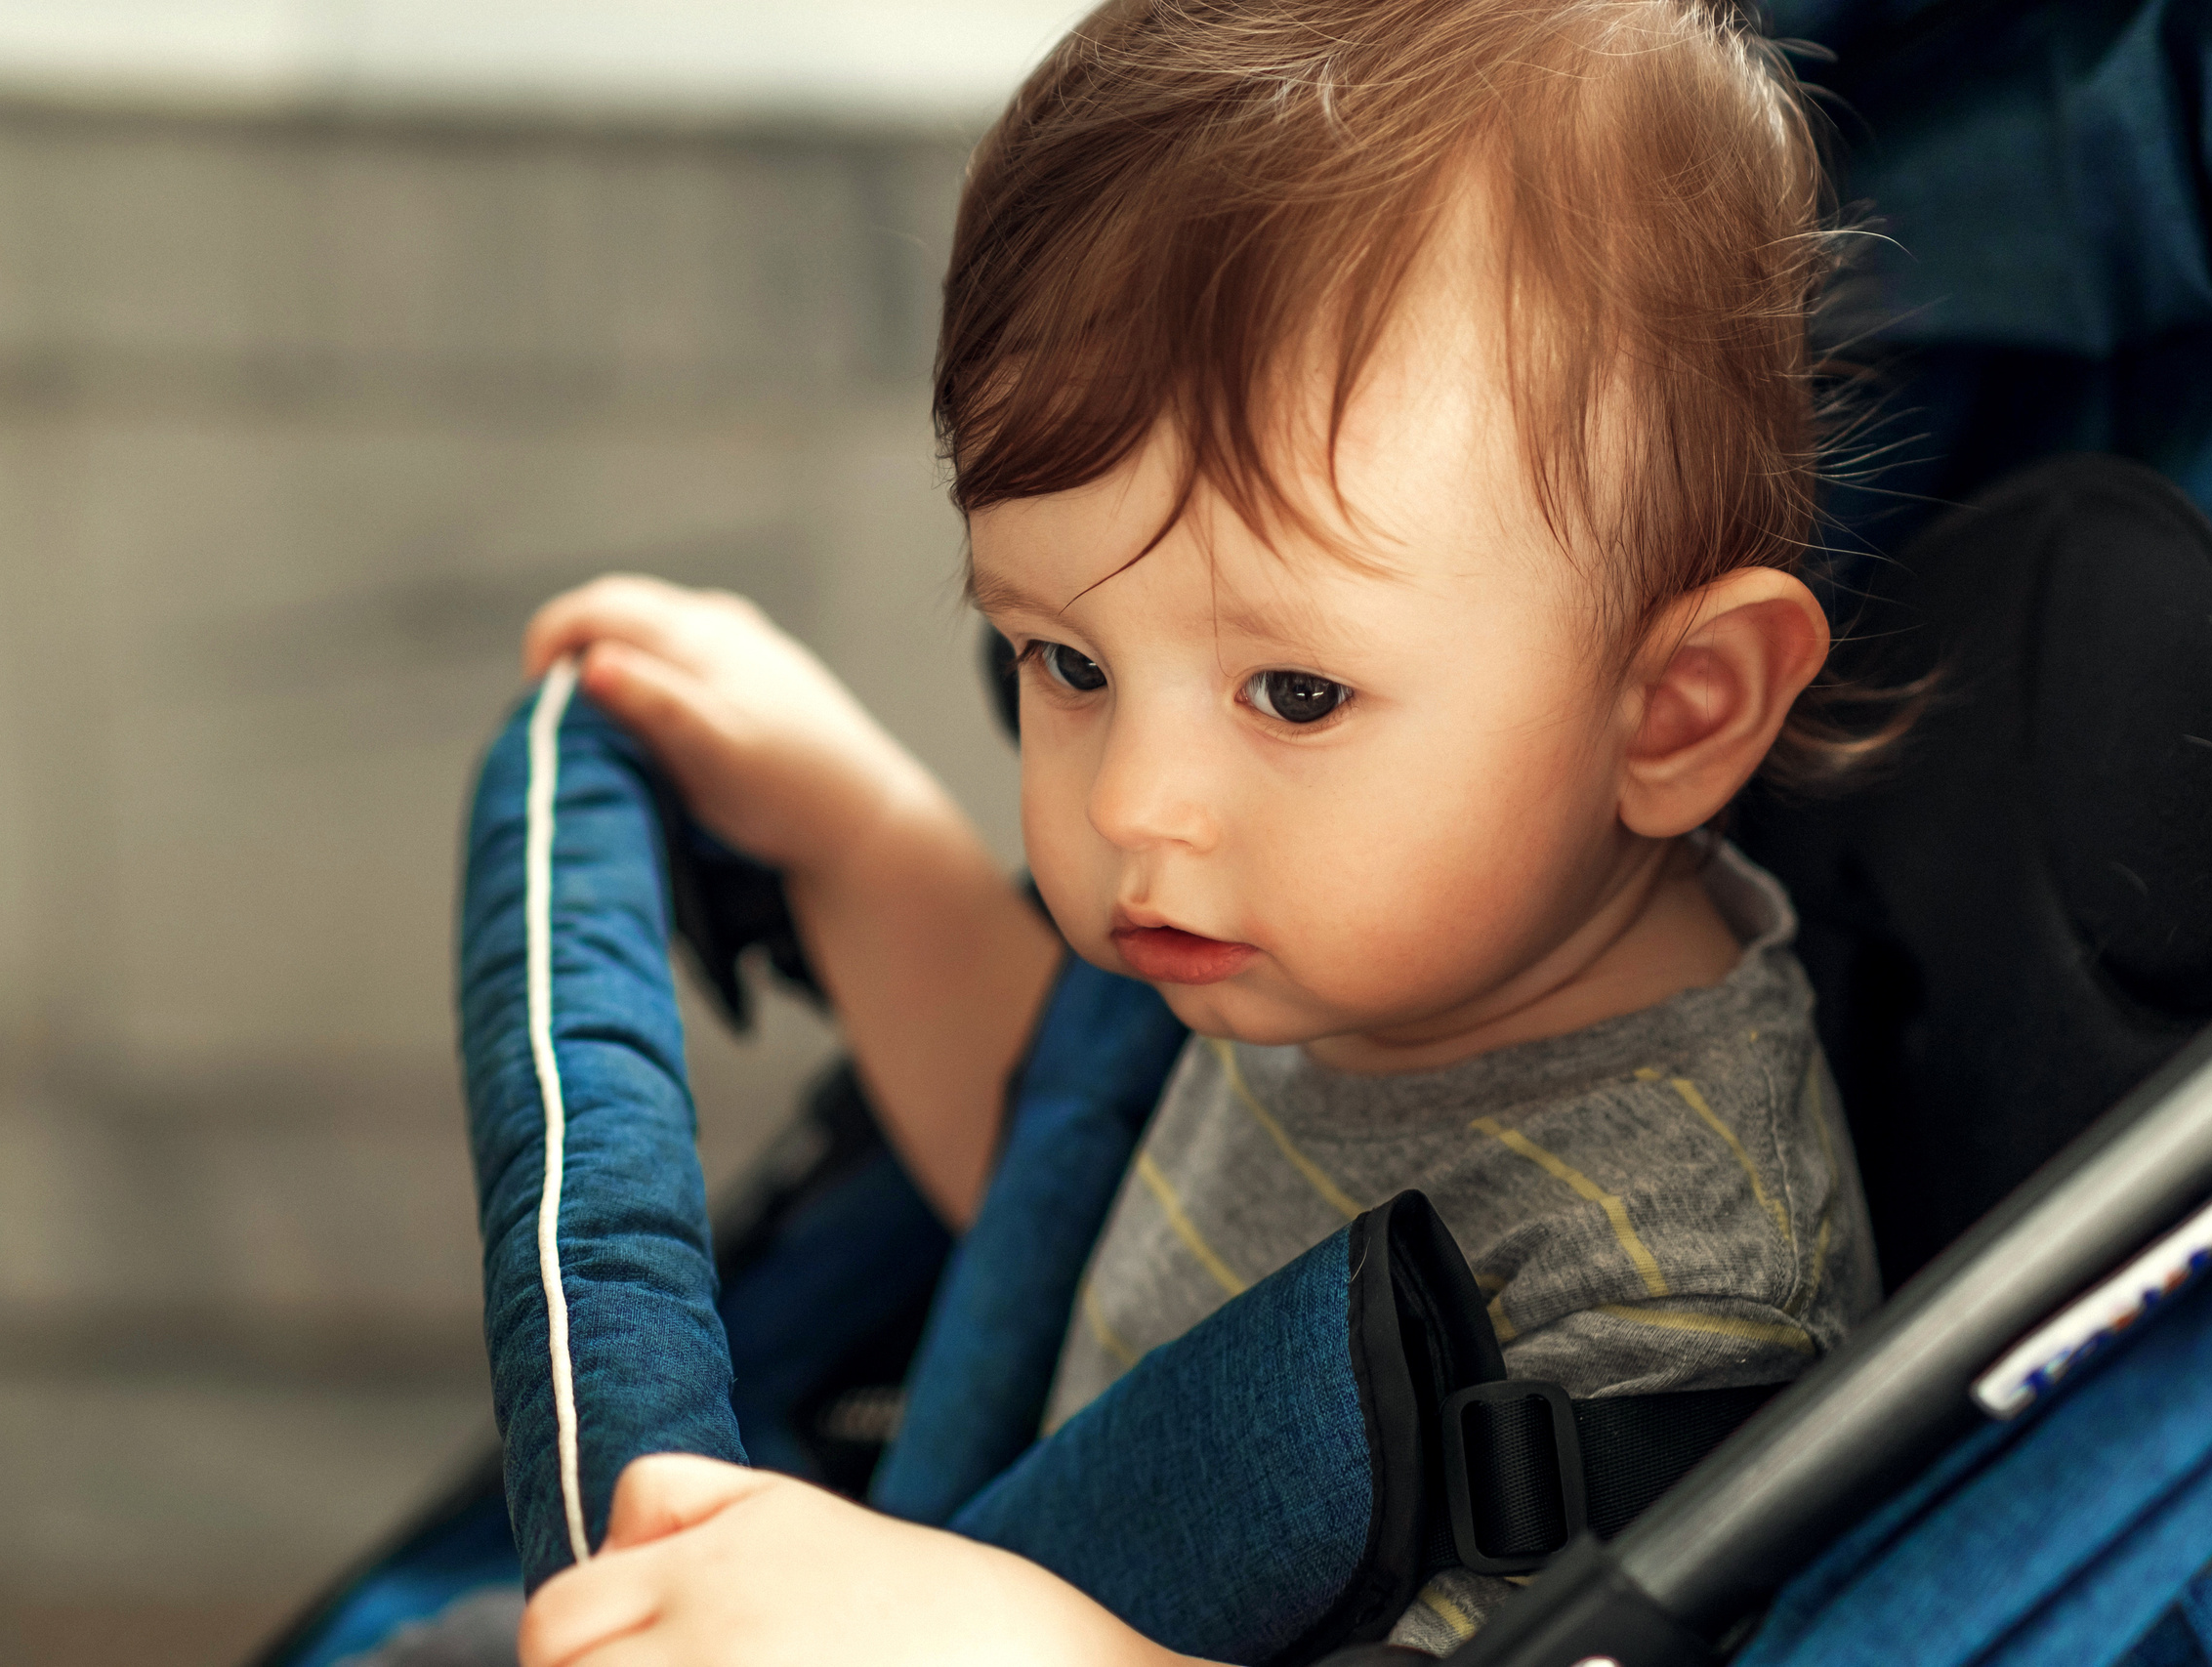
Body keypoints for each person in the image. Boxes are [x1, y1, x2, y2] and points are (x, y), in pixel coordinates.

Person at [509, 0, 1889, 1659]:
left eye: (1296, 696)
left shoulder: (1675, 1300)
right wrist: (855, 843)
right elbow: (1066, 1196)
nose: (1128, 803)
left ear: (1673, 710)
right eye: (1068, 662)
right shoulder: (1347, 936)